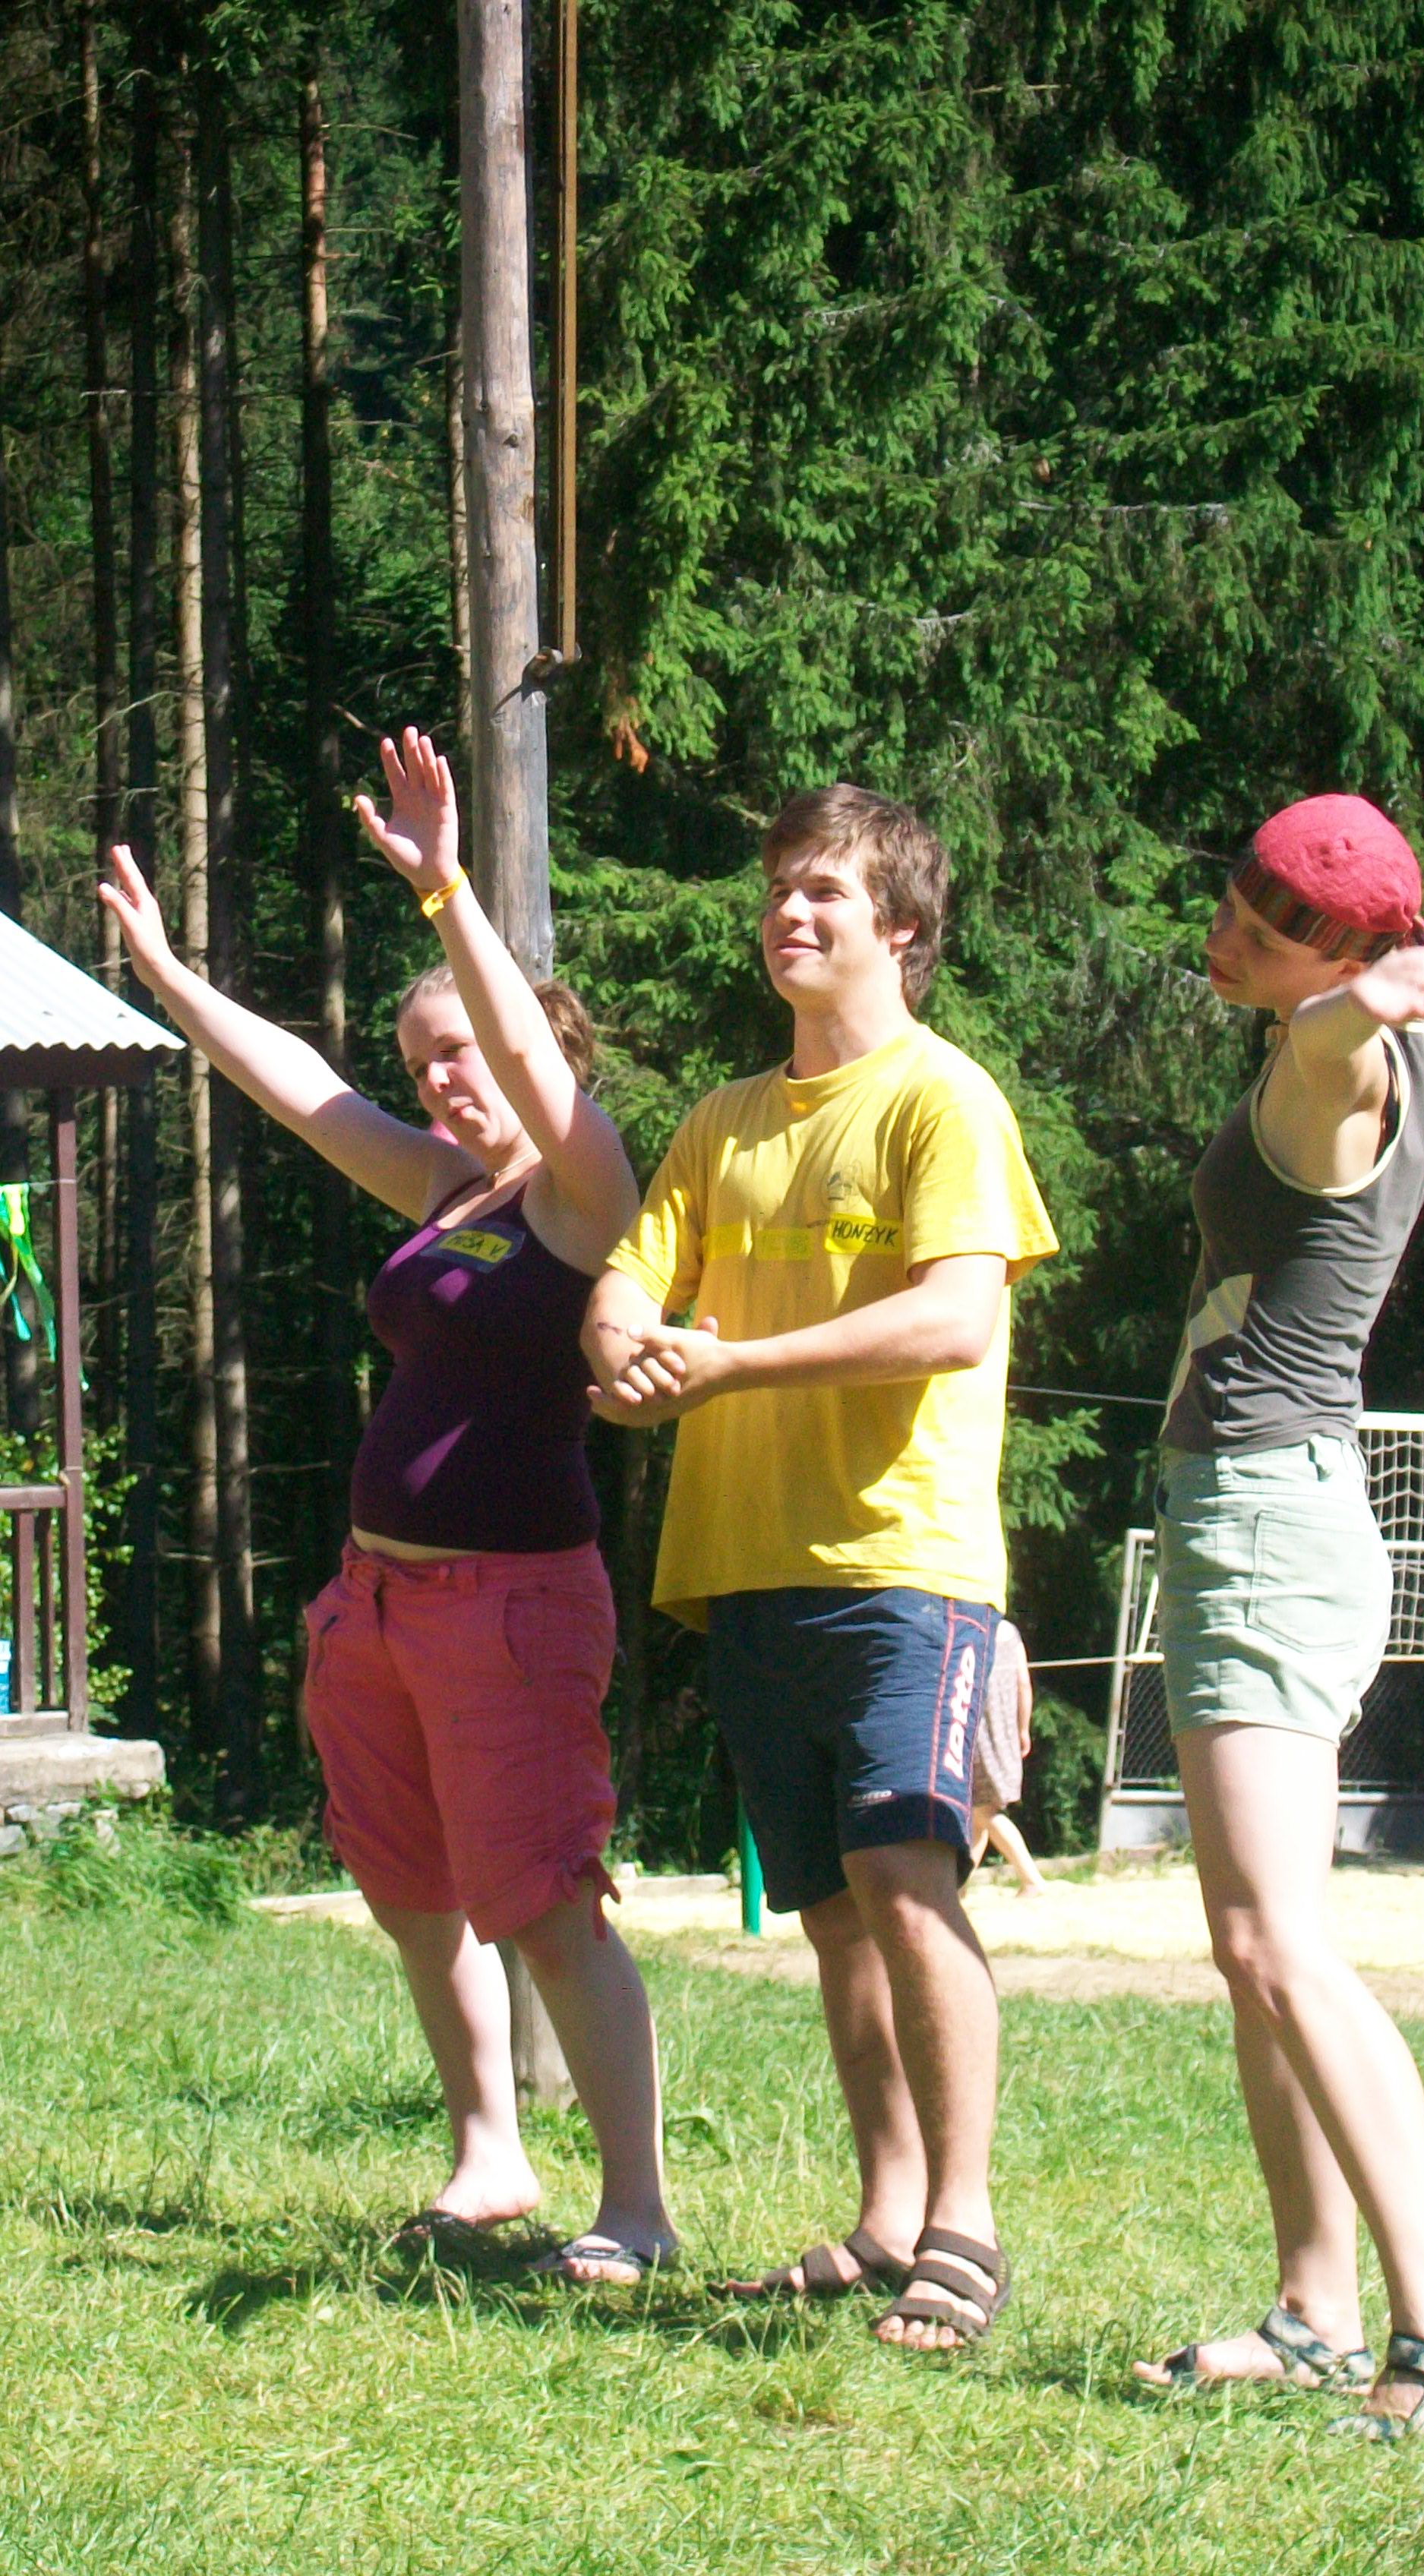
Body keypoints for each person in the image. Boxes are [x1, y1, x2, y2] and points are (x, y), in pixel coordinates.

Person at [99, 728, 676, 2286]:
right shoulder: (441, 1189)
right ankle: (490, 2156)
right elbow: (303, 1093)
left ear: (531, 1048)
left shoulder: (583, 1194)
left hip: (512, 1601)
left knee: (544, 1900)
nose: (438, 1077)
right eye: (422, 1058)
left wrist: (445, 892)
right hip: (378, 1599)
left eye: (463, 1051)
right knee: (415, 1890)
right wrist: (169, 975)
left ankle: (634, 2204)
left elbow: (539, 1082)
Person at [582, 783, 1056, 2351]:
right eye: (780, 886)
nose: (789, 911)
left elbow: (955, 1318)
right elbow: (629, 1282)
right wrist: (625, 1347)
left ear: (900, 930)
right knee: (836, 1913)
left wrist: (722, 1364)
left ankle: (963, 2225)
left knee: (908, 1882)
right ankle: (884, 2216)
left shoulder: (942, 1098)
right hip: (747, 1563)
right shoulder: (718, 1122)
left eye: (825, 893)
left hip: (902, 1561)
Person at [1129, 791, 1424, 2440]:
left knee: (1274, 1944)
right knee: (1254, 1944)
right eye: (1234, 898)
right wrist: (1355, 998)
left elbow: (1325, 1059)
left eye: (1269, 928)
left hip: (1264, 1520)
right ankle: (1312, 2307)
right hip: (1262, 1511)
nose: (1227, 932)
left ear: (1350, 962)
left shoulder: (1352, 1062)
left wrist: (1348, 1009)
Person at [968, 1620, 1047, 1896]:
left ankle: (1031, 1879)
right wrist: (1023, 1729)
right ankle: (959, 1887)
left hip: (978, 1734)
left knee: (983, 1811)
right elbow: (1023, 1684)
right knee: (978, 1815)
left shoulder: (970, 1629)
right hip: (1005, 1732)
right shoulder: (1011, 1632)